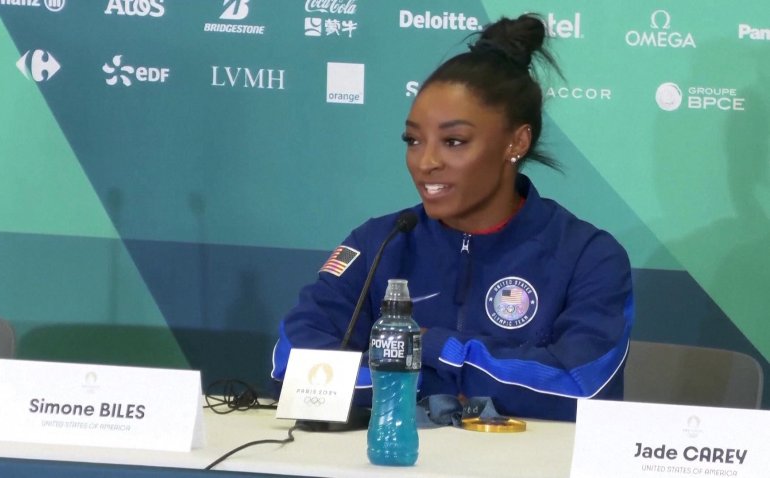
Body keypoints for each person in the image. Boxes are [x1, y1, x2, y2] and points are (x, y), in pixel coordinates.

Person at [271, 14, 633, 421]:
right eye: (413, 140)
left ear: (516, 142)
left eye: (454, 141)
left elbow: (580, 387)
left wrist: (440, 349)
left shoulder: (588, 255)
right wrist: (430, 385)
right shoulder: (379, 242)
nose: (425, 162)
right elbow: (295, 367)